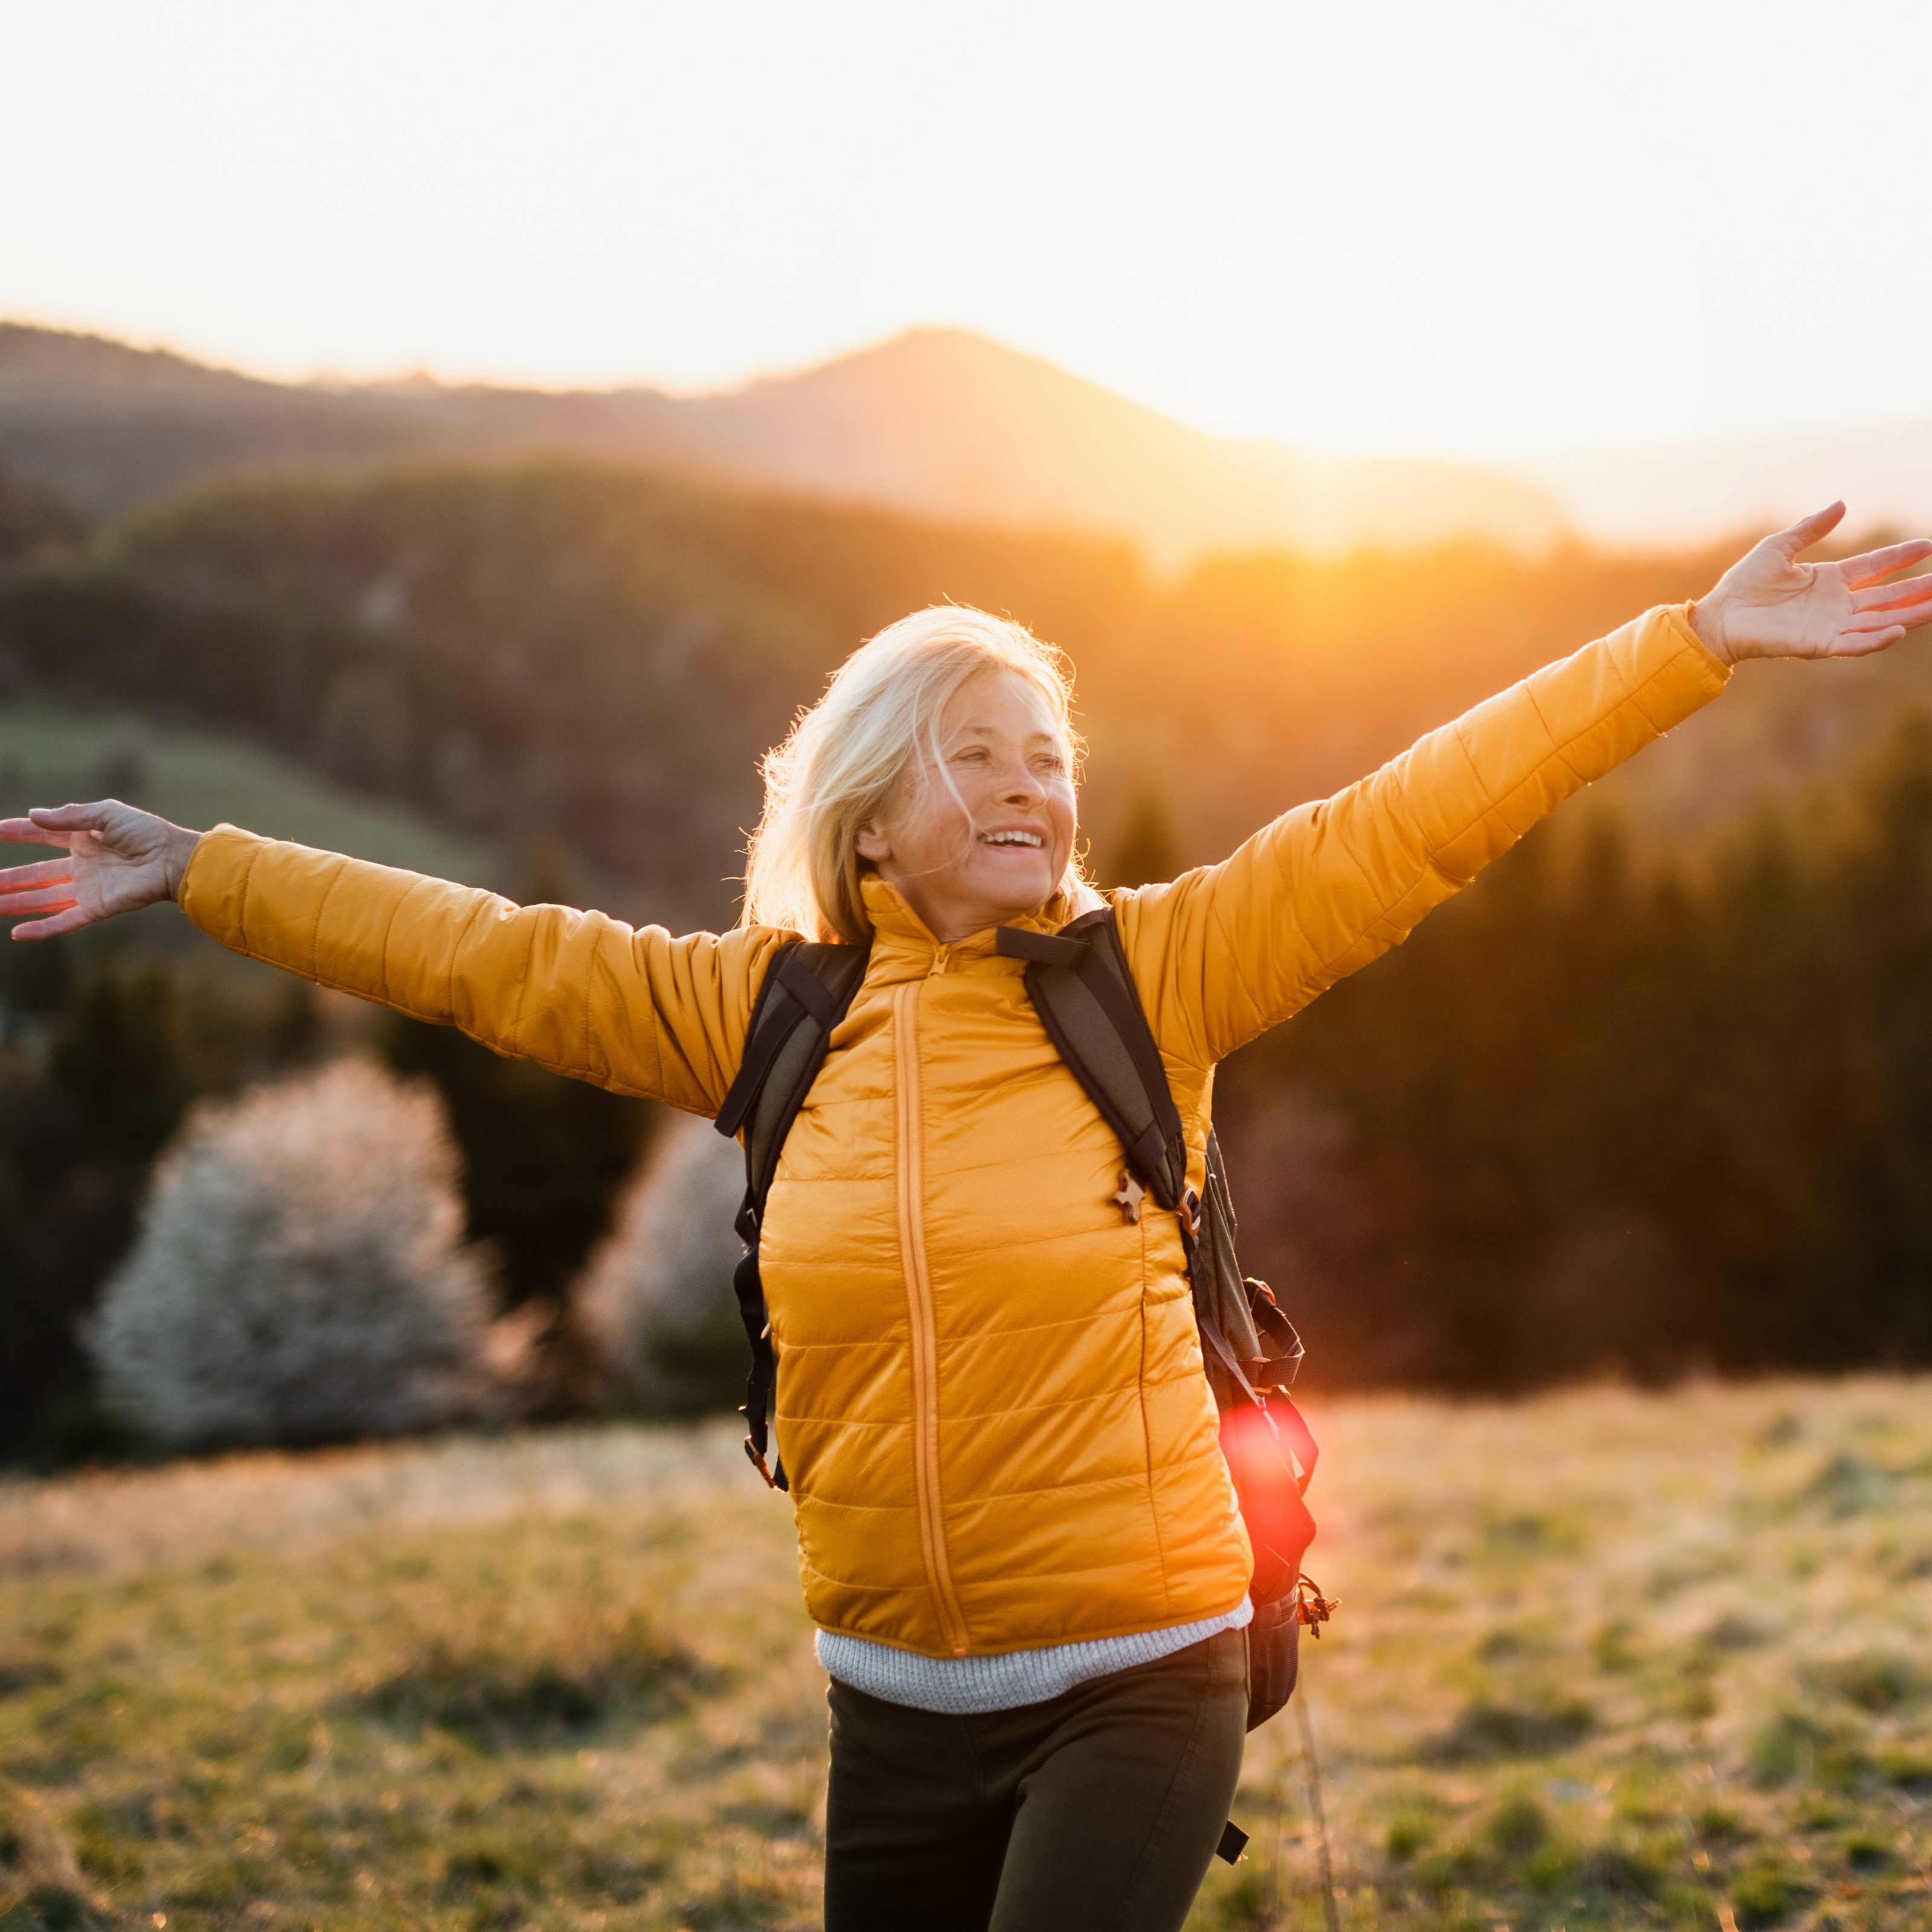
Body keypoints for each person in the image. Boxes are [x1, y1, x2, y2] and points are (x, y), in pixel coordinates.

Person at [5, 503, 1931, 1931]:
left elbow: (1417, 813)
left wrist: (1690, 642)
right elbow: (481, 958)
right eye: (979, 751)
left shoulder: (1149, 982)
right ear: (865, 809)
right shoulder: (760, 1019)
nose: (1034, 784)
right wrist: (204, 871)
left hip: (1145, 1670)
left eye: (1050, 759)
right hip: (891, 1701)